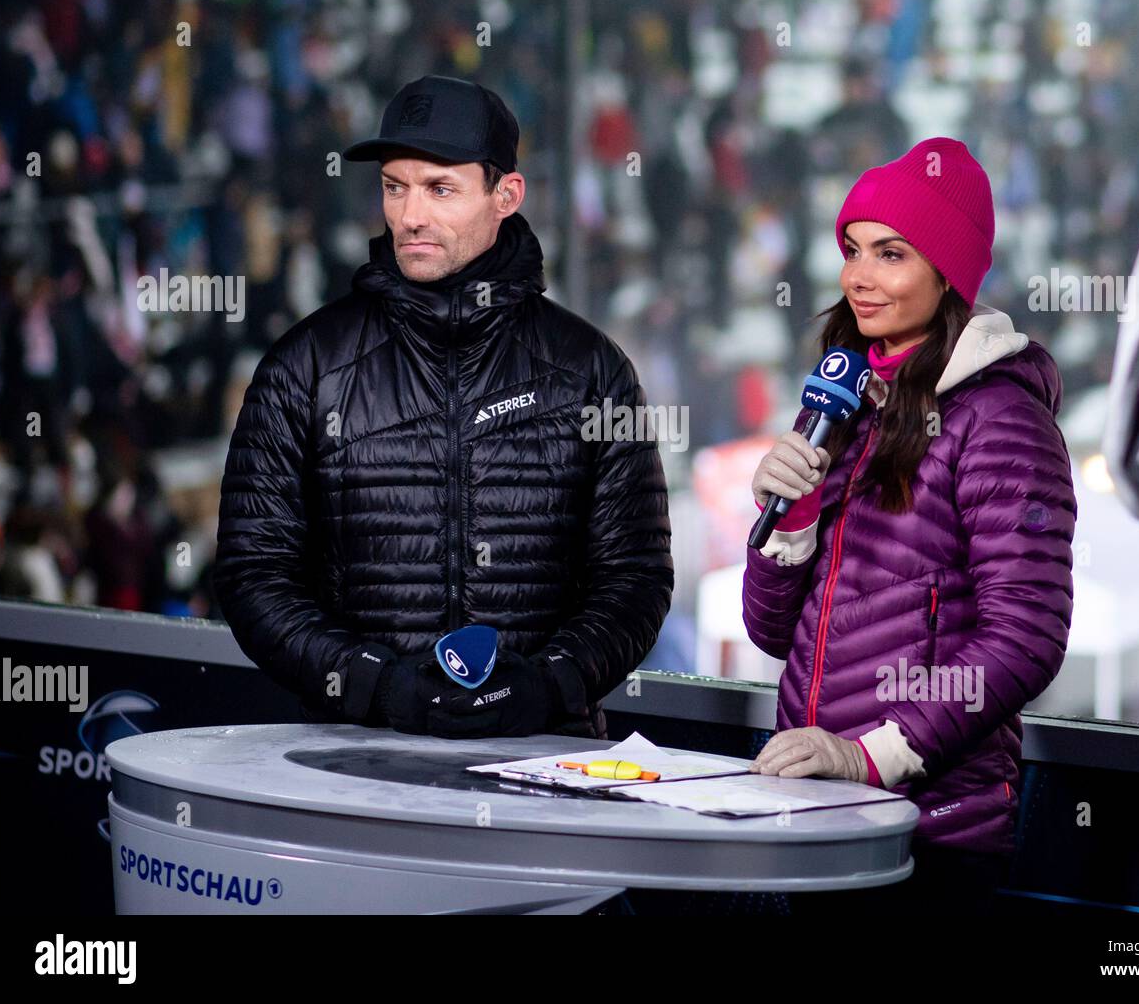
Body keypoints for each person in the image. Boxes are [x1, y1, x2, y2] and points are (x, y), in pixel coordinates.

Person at [213, 74, 673, 740]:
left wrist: (546, 686)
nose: (409, 216)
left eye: (440, 189)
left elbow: (635, 578)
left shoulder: (590, 372)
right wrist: (376, 683)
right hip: (352, 768)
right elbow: (254, 574)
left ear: (506, 196)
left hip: (544, 770)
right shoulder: (305, 366)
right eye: (395, 187)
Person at [742, 137, 1077, 916]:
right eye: (853, 250)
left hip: (930, 837)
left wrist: (870, 756)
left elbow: (1026, 637)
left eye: (891, 254)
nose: (859, 276)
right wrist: (786, 522)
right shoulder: (841, 405)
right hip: (820, 816)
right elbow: (770, 632)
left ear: (947, 273)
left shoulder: (1000, 421)